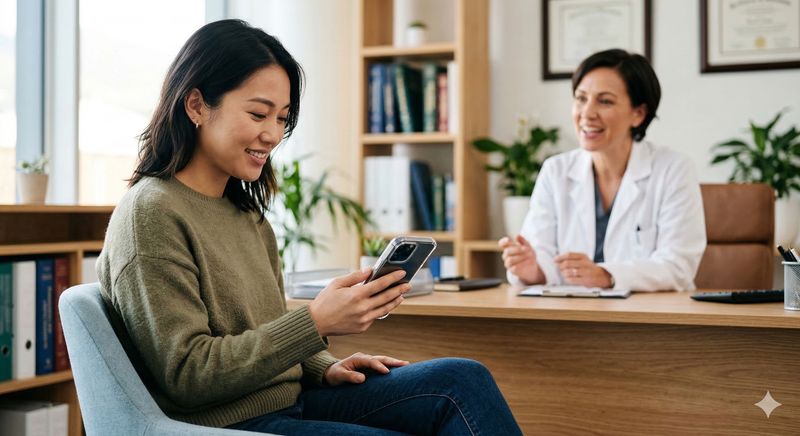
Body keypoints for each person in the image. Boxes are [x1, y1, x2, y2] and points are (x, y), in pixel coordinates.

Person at [96, 19, 521, 435]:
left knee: (461, 381)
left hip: (287, 400)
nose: (272, 135)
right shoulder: (151, 214)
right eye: (259, 114)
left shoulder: (245, 214)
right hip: (224, 422)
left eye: (282, 119)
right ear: (196, 106)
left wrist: (325, 365)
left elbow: (259, 328)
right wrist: (315, 323)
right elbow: (189, 375)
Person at [500, 49, 706, 292]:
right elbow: (542, 254)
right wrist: (532, 269)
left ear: (638, 114)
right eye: (581, 98)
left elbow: (678, 266)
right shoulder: (556, 171)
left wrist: (606, 275)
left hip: (650, 319)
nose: (587, 113)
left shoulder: (673, 170)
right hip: (571, 317)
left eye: (605, 101)